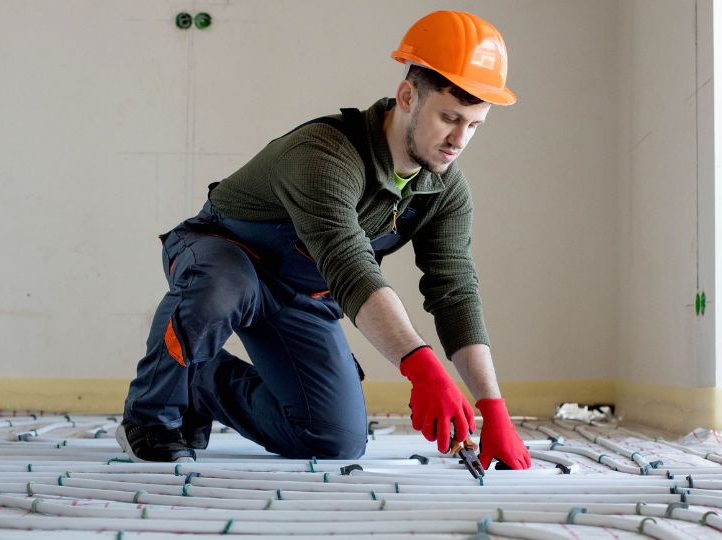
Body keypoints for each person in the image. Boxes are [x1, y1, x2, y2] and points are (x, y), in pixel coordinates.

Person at [117, 10, 532, 471]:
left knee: (334, 438)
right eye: (450, 118)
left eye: (474, 125)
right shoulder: (325, 155)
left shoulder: (444, 190)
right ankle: (149, 417)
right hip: (224, 254)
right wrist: (421, 368)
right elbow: (350, 265)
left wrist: (493, 407)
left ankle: (201, 383)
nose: (459, 140)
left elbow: (454, 291)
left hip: (299, 295)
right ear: (408, 96)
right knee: (220, 289)